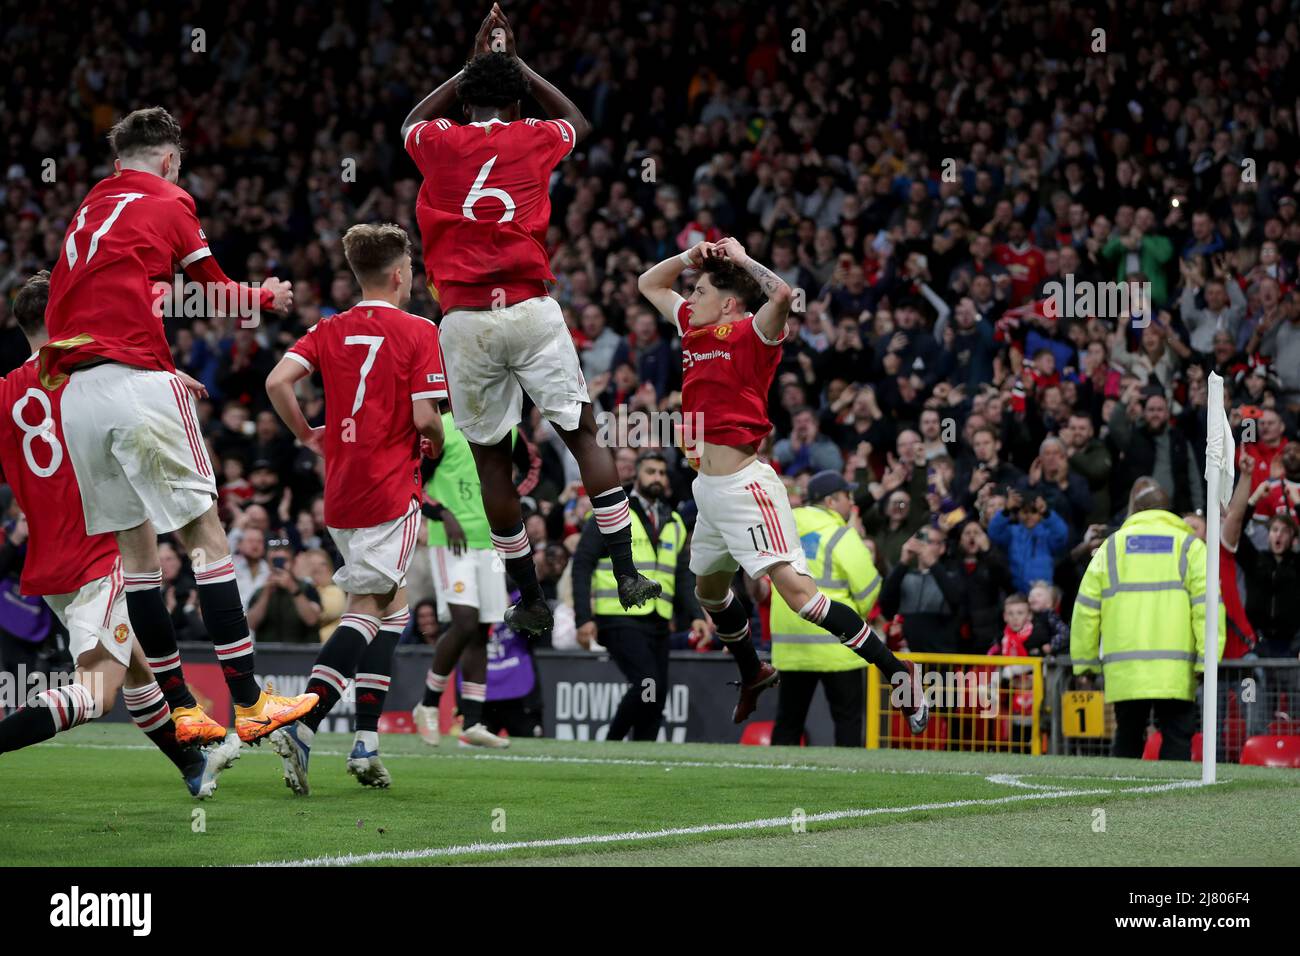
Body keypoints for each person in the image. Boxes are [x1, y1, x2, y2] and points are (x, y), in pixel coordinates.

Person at [40, 106, 316, 743]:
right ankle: (249, 703)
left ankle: (183, 709)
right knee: (206, 540)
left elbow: (72, 305)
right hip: (136, 384)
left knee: (138, 558)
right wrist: (265, 297)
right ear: (167, 161)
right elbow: (212, 287)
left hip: (78, 395)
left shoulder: (87, 207)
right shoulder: (170, 198)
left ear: (117, 163)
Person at [402, 5, 659, 636]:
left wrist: (470, 70)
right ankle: (625, 571)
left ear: (463, 107)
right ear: (518, 108)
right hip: (529, 306)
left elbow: (411, 120)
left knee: (492, 460)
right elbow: (578, 119)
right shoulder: (537, 135)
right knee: (584, 436)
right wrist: (515, 65)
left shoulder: (438, 141)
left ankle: (532, 599)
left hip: (464, 318)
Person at [638, 236, 927, 732]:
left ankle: (900, 675)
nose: (691, 298)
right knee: (709, 591)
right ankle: (753, 671)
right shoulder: (692, 326)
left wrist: (741, 258)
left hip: (744, 487)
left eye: (701, 290)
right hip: (706, 491)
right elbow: (649, 282)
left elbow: (783, 296)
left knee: (801, 598)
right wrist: (692, 257)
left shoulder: (751, 332)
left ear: (728, 302)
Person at [0, 271, 239, 797]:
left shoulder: (4, 394)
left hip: (51, 561)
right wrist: (167, 381)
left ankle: (193, 769)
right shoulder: (88, 377)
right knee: (97, 690)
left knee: (136, 672)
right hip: (102, 551)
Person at [264, 223, 447, 794]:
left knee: (393, 609)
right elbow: (424, 419)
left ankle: (366, 744)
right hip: (390, 490)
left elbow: (277, 382)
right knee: (370, 605)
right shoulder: (420, 331)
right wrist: (436, 444)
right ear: (399, 275)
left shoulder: (328, 327)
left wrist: (307, 436)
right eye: (412, 268)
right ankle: (304, 722)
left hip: (340, 494)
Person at [1070, 478, 1224, 760]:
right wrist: (1207, 659)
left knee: (1128, 737)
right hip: (1176, 670)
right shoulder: (1191, 548)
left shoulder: (1110, 548)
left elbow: (1086, 610)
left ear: (1135, 509)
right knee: (1177, 738)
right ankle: (1173, 800)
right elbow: (1209, 608)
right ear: (1169, 510)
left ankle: (1121, 801)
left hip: (1126, 670)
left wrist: (1085, 665)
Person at [413, 411, 534, 749]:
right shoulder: (444, 428)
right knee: (464, 623)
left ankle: (473, 721)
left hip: (490, 543)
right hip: (452, 542)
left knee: (482, 628)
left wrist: (512, 498)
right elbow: (413, 479)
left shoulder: (506, 429)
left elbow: (532, 466)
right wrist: (443, 514)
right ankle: (427, 703)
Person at [571, 452, 705, 741]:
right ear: (636, 476)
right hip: (619, 616)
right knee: (646, 682)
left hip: (658, 621)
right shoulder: (613, 514)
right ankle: (612, 743)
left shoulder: (674, 521)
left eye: (661, 473)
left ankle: (644, 756)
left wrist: (695, 615)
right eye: (650, 472)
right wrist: (583, 617)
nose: (657, 477)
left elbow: (682, 575)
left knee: (655, 696)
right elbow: (582, 563)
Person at [769, 471, 882, 747]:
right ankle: (849, 785)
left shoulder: (784, 529)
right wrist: (858, 617)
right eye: (847, 496)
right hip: (839, 647)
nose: (851, 503)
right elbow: (869, 590)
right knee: (847, 724)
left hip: (792, 650)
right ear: (831, 501)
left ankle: (775, 782)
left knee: (787, 724)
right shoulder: (842, 535)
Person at [879, 524, 965, 653]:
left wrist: (933, 565)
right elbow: (885, 604)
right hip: (908, 657)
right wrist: (903, 562)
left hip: (941, 658)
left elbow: (956, 601)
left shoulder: (952, 575)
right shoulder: (905, 576)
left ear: (942, 547)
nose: (923, 546)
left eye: (929, 542)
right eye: (921, 539)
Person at [246, 538, 322, 642]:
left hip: (303, 654)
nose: (278, 565)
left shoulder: (307, 588)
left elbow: (312, 620)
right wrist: (266, 594)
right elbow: (251, 625)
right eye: (274, 561)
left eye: (284, 560)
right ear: (268, 563)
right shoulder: (259, 592)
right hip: (268, 655)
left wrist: (293, 588)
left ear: (293, 562)